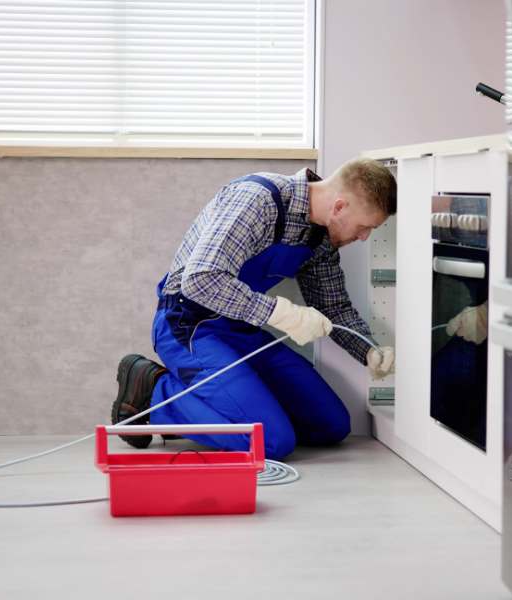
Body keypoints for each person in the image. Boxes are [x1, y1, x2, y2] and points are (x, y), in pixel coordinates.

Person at [110, 159, 397, 460]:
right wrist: (285, 315)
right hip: (188, 326)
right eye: (365, 227)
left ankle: (246, 409)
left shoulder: (321, 237)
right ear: (339, 207)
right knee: (273, 442)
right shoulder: (257, 199)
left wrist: (368, 349)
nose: (364, 237)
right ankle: (153, 390)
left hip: (240, 330)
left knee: (332, 425)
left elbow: (334, 307)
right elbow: (200, 281)